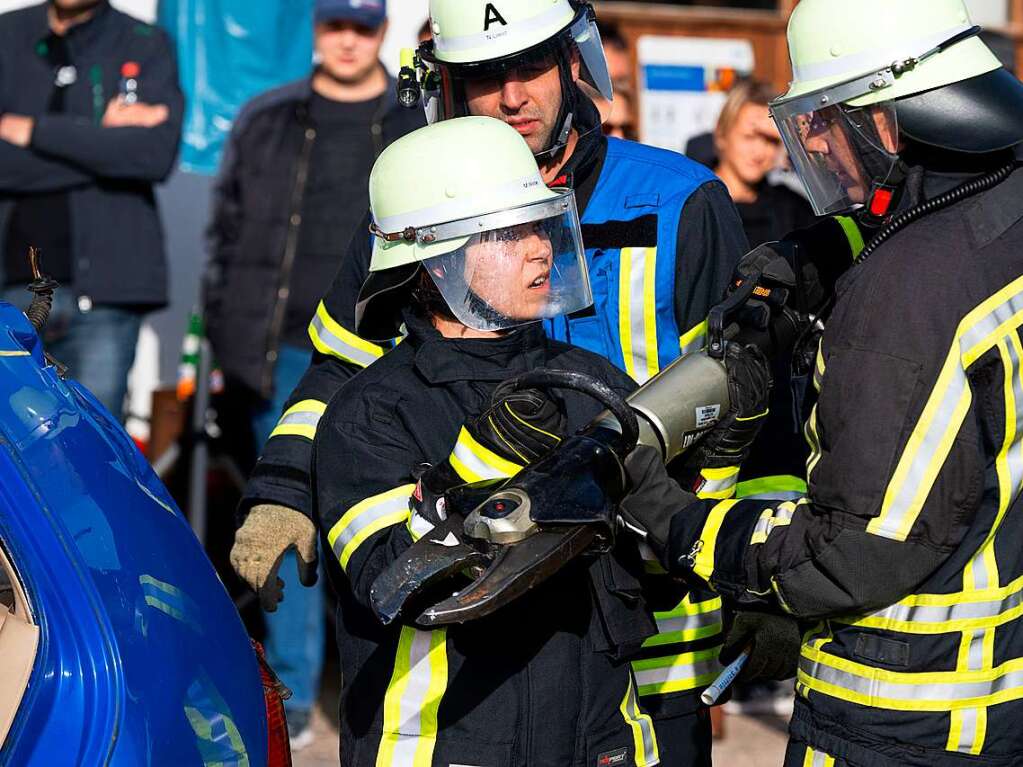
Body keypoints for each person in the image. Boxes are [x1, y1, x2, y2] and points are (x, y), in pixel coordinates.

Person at [231, 1, 750, 762]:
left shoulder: (681, 201)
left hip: (647, 628)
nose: (511, 98)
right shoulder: (420, 202)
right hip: (477, 659)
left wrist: (745, 570)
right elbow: (341, 369)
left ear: (575, 62)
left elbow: (741, 398)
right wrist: (281, 485)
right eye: (482, 77)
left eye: (530, 66)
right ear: (442, 85)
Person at [621, 1, 1023, 764]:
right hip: (996, 703)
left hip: (892, 717)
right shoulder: (1002, 207)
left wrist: (679, 521)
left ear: (886, 120)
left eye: (825, 117)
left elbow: (850, 549)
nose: (808, 141)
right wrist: (817, 251)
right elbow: (921, 211)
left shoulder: (904, 295)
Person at [315, 115, 661, 766]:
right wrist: (487, 459)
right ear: (435, 257)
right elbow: (394, 584)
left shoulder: (589, 384)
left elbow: (658, 566)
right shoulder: (371, 414)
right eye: (508, 232)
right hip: (444, 747)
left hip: (595, 744)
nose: (539, 249)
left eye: (540, 224)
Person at [205, 0, 422, 748]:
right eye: (335, 24)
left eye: (362, 27)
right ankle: (293, 695)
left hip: (387, 345)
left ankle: (375, 682)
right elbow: (224, 232)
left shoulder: (411, 122)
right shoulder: (267, 117)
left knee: (379, 518)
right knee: (285, 513)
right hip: (285, 350)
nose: (347, 40)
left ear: (380, 33)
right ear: (316, 30)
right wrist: (221, 343)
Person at [0, 0, 183, 419]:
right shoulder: (8, 35)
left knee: (93, 452)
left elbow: (152, 156)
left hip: (106, 295)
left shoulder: (146, 44)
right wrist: (101, 141)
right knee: (11, 454)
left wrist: (31, 130)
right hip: (11, 292)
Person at [713, 78, 817, 246]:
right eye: (750, 137)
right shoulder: (696, 203)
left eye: (771, 141)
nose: (759, 152)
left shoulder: (793, 211)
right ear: (722, 133)